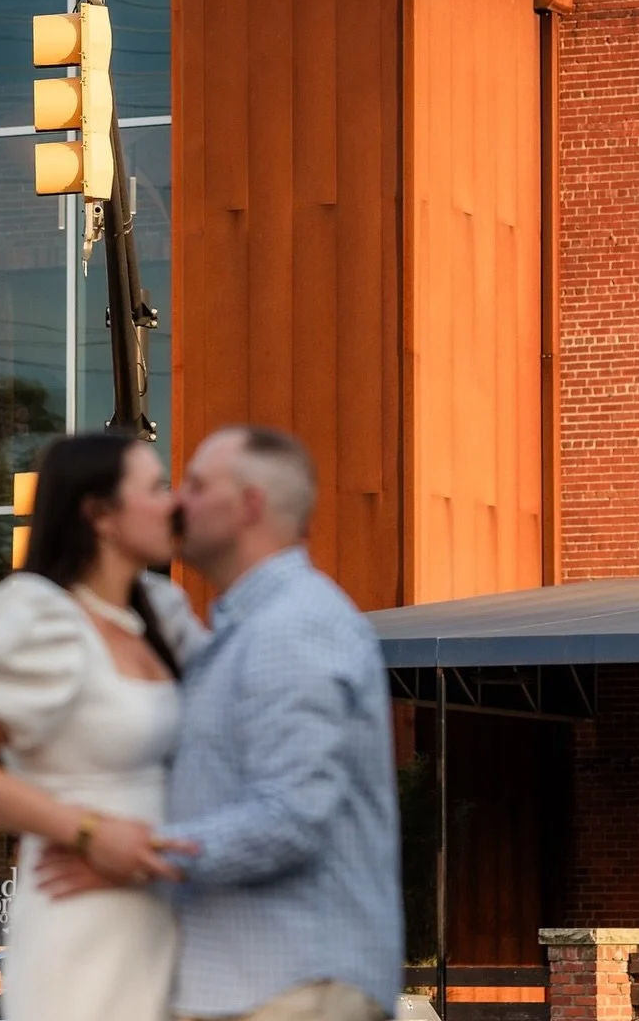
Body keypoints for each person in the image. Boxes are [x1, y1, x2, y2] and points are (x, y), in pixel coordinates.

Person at [40, 425, 404, 1021]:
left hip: (292, 989)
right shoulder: (240, 632)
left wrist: (137, 855)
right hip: (261, 986)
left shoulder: (294, 626)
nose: (177, 501)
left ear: (249, 506)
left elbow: (290, 817)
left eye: (197, 485)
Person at [0, 432, 203, 1021]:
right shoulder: (37, 616)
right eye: (154, 488)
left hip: (169, 917)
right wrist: (89, 833)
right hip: (81, 920)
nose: (171, 503)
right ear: (99, 514)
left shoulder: (163, 613)